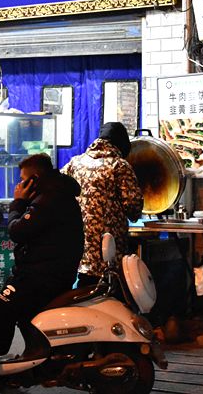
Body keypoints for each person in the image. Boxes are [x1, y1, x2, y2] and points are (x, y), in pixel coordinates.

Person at [0, 153, 84, 394]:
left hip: (38, 279)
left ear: (34, 180)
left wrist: (17, 203)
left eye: (23, 180)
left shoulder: (48, 200)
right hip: (49, 275)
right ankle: (20, 372)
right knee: (17, 317)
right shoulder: (58, 194)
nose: (19, 185)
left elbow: (17, 231)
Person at [61, 121, 144, 287]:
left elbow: (60, 188)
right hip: (109, 246)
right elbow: (132, 205)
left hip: (80, 244)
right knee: (110, 288)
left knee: (86, 288)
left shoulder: (75, 163)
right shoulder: (119, 165)